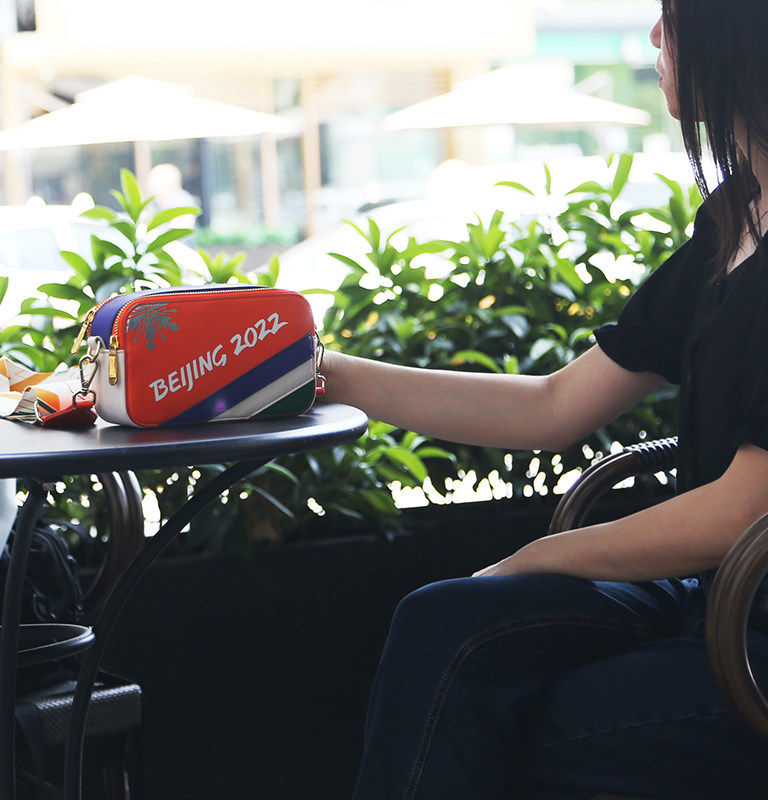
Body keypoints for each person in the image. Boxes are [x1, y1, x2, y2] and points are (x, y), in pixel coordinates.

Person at [317, 2, 768, 798]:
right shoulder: (733, 218)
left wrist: (532, 558)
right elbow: (553, 406)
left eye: (671, 16)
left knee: (509, 720)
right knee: (442, 621)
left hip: (749, 628)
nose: (656, 36)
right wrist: (329, 373)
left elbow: (739, 511)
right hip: (713, 602)